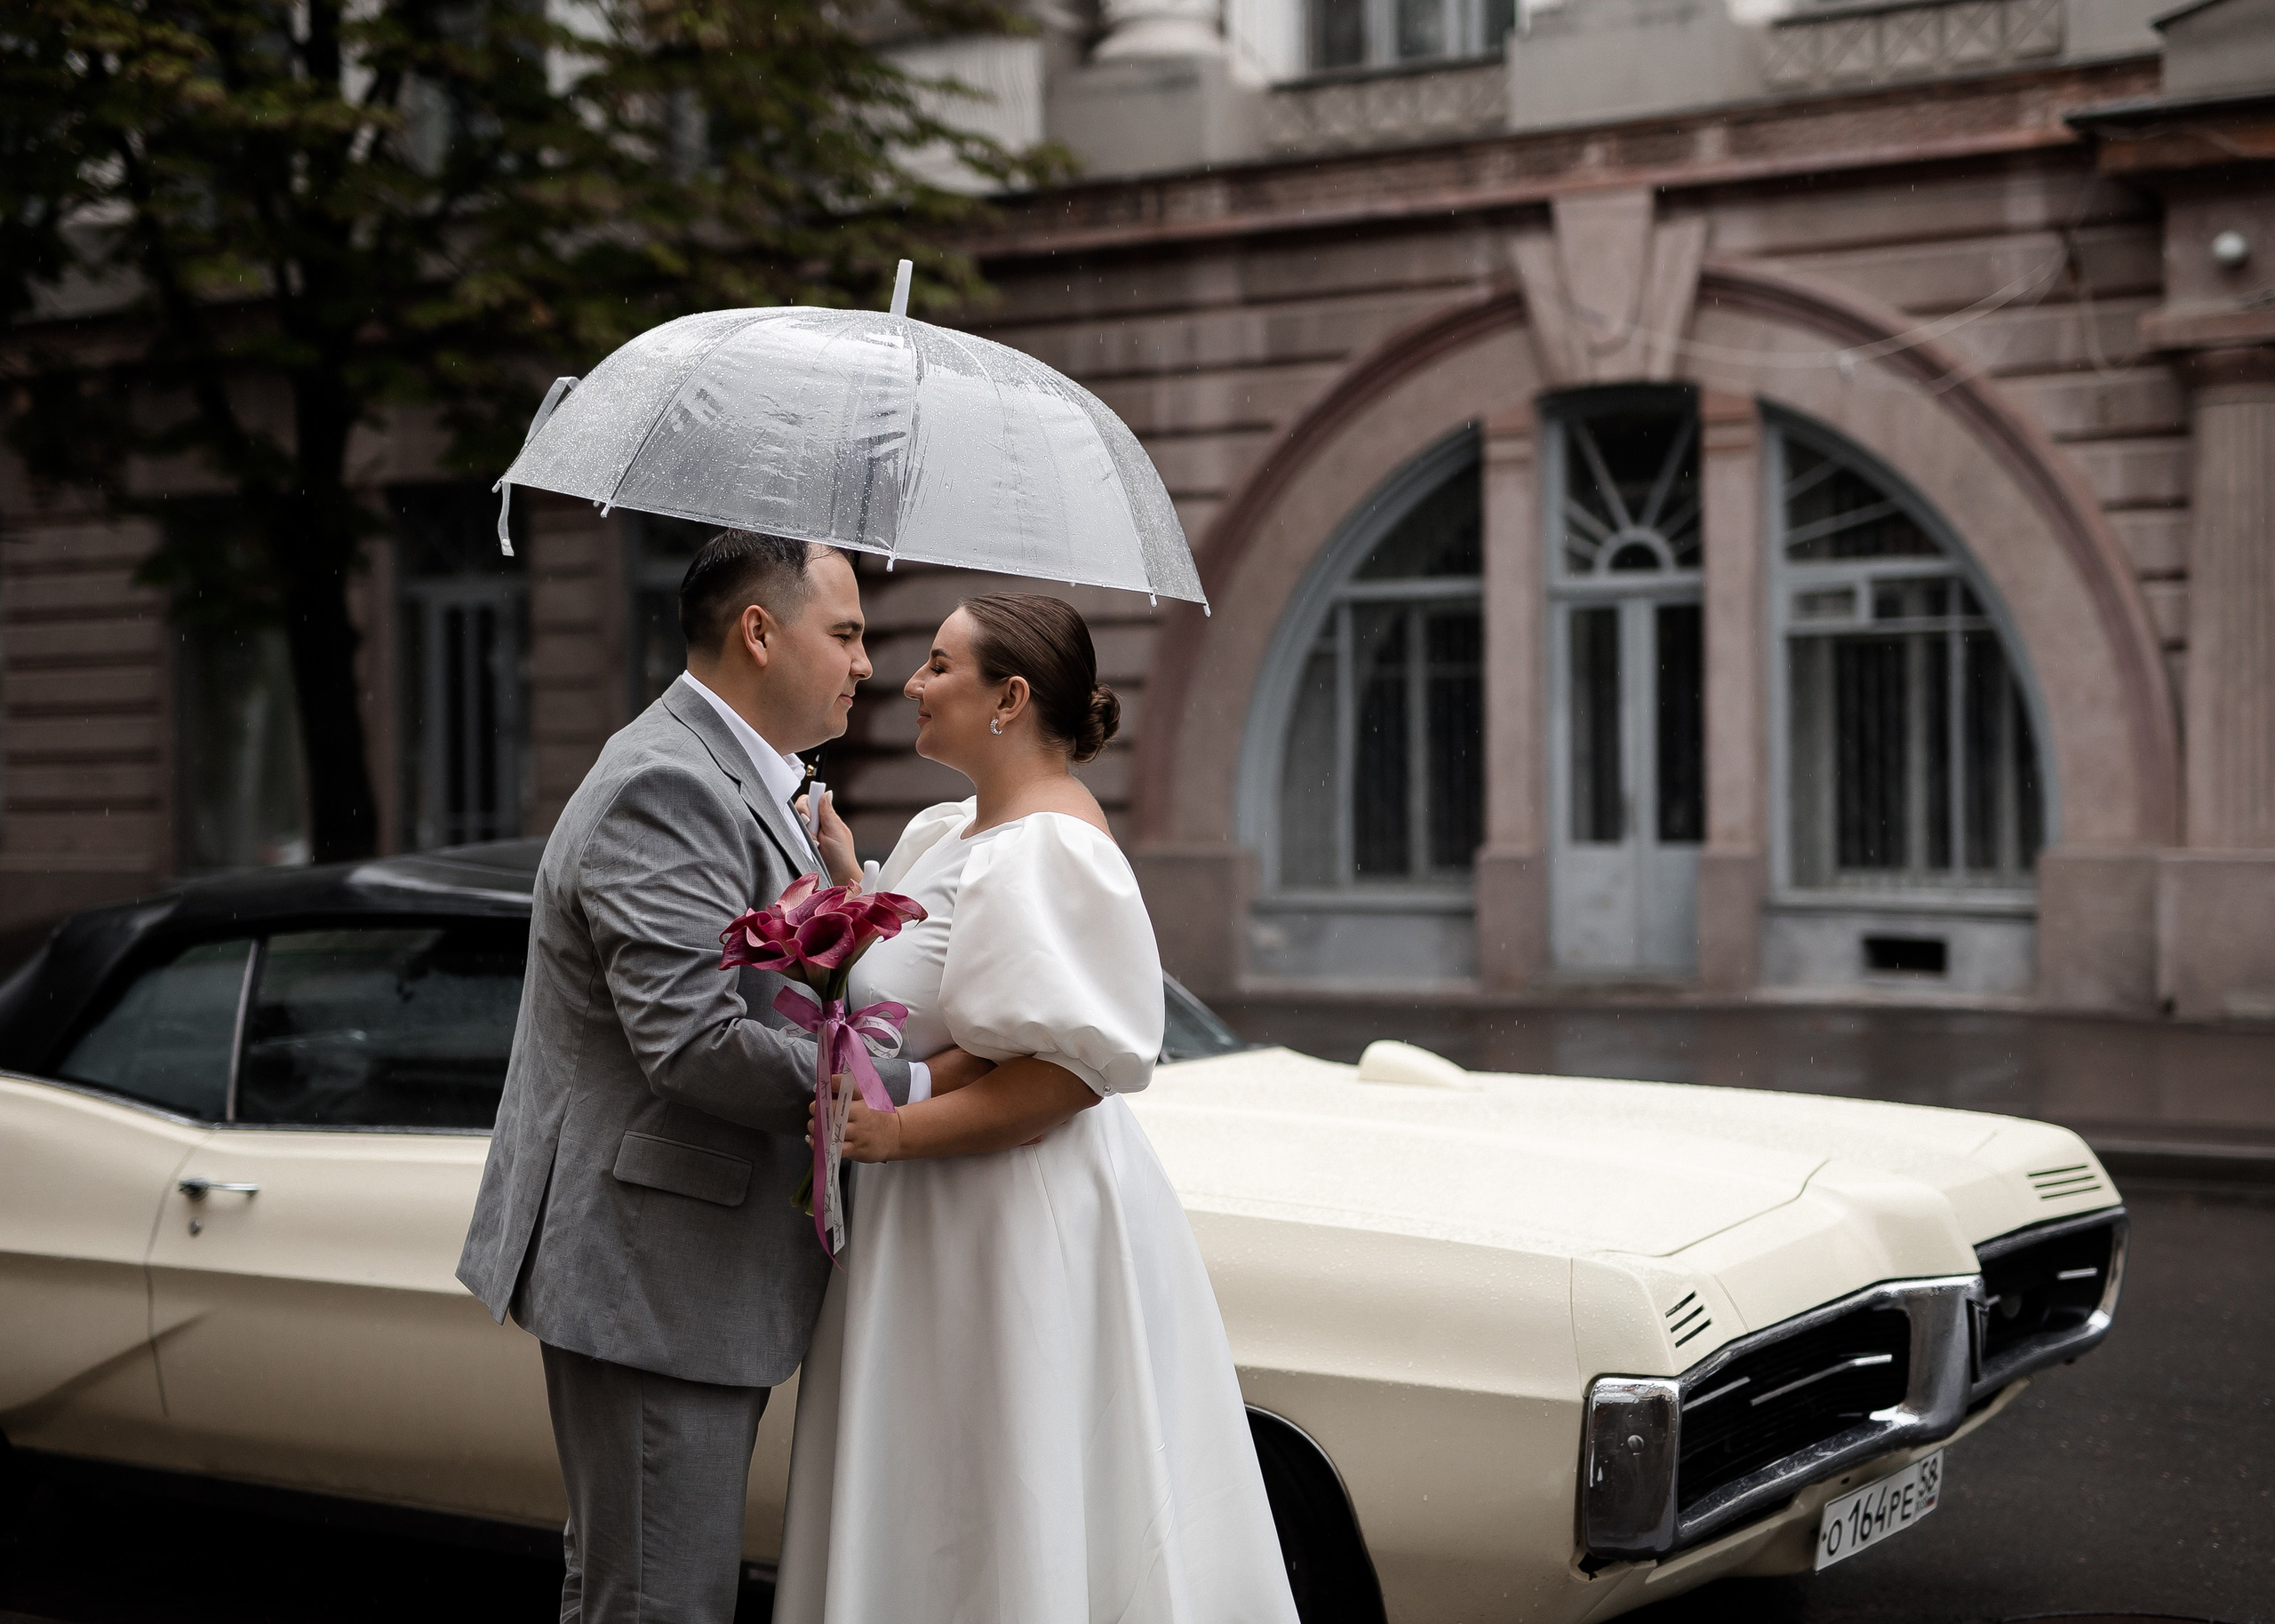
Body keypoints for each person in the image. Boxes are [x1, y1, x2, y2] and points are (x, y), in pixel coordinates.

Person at [455, 532, 988, 1624]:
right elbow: (691, 1040)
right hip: (656, 1268)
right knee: (660, 1602)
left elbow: (766, 988)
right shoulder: (667, 783)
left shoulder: (749, 780)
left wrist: (845, 890)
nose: (867, 665)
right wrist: (906, 1089)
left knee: (631, 1592)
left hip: (680, 1264)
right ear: (759, 632)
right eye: (845, 634)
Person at [774, 593, 1300, 1624]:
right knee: (943, 1488)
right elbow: (969, 1015)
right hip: (943, 1215)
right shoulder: (953, 828)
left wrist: (896, 1130)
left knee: (1001, 1486)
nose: (910, 681)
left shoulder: (1051, 848)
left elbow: (1062, 1075)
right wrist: (845, 879)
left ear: (1009, 697)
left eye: (938, 665)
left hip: (1007, 1217)